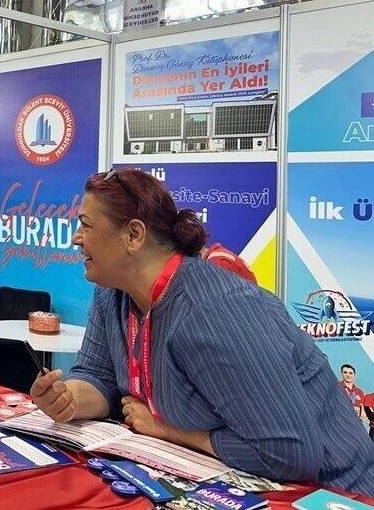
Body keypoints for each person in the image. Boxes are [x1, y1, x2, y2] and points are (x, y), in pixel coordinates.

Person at [30, 168, 374, 494]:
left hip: (333, 491)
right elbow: (97, 376)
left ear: (134, 235)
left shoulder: (214, 310)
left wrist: (167, 431)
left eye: (86, 225)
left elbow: (289, 453)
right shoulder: (112, 292)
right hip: (228, 481)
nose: (76, 238)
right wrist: (68, 399)